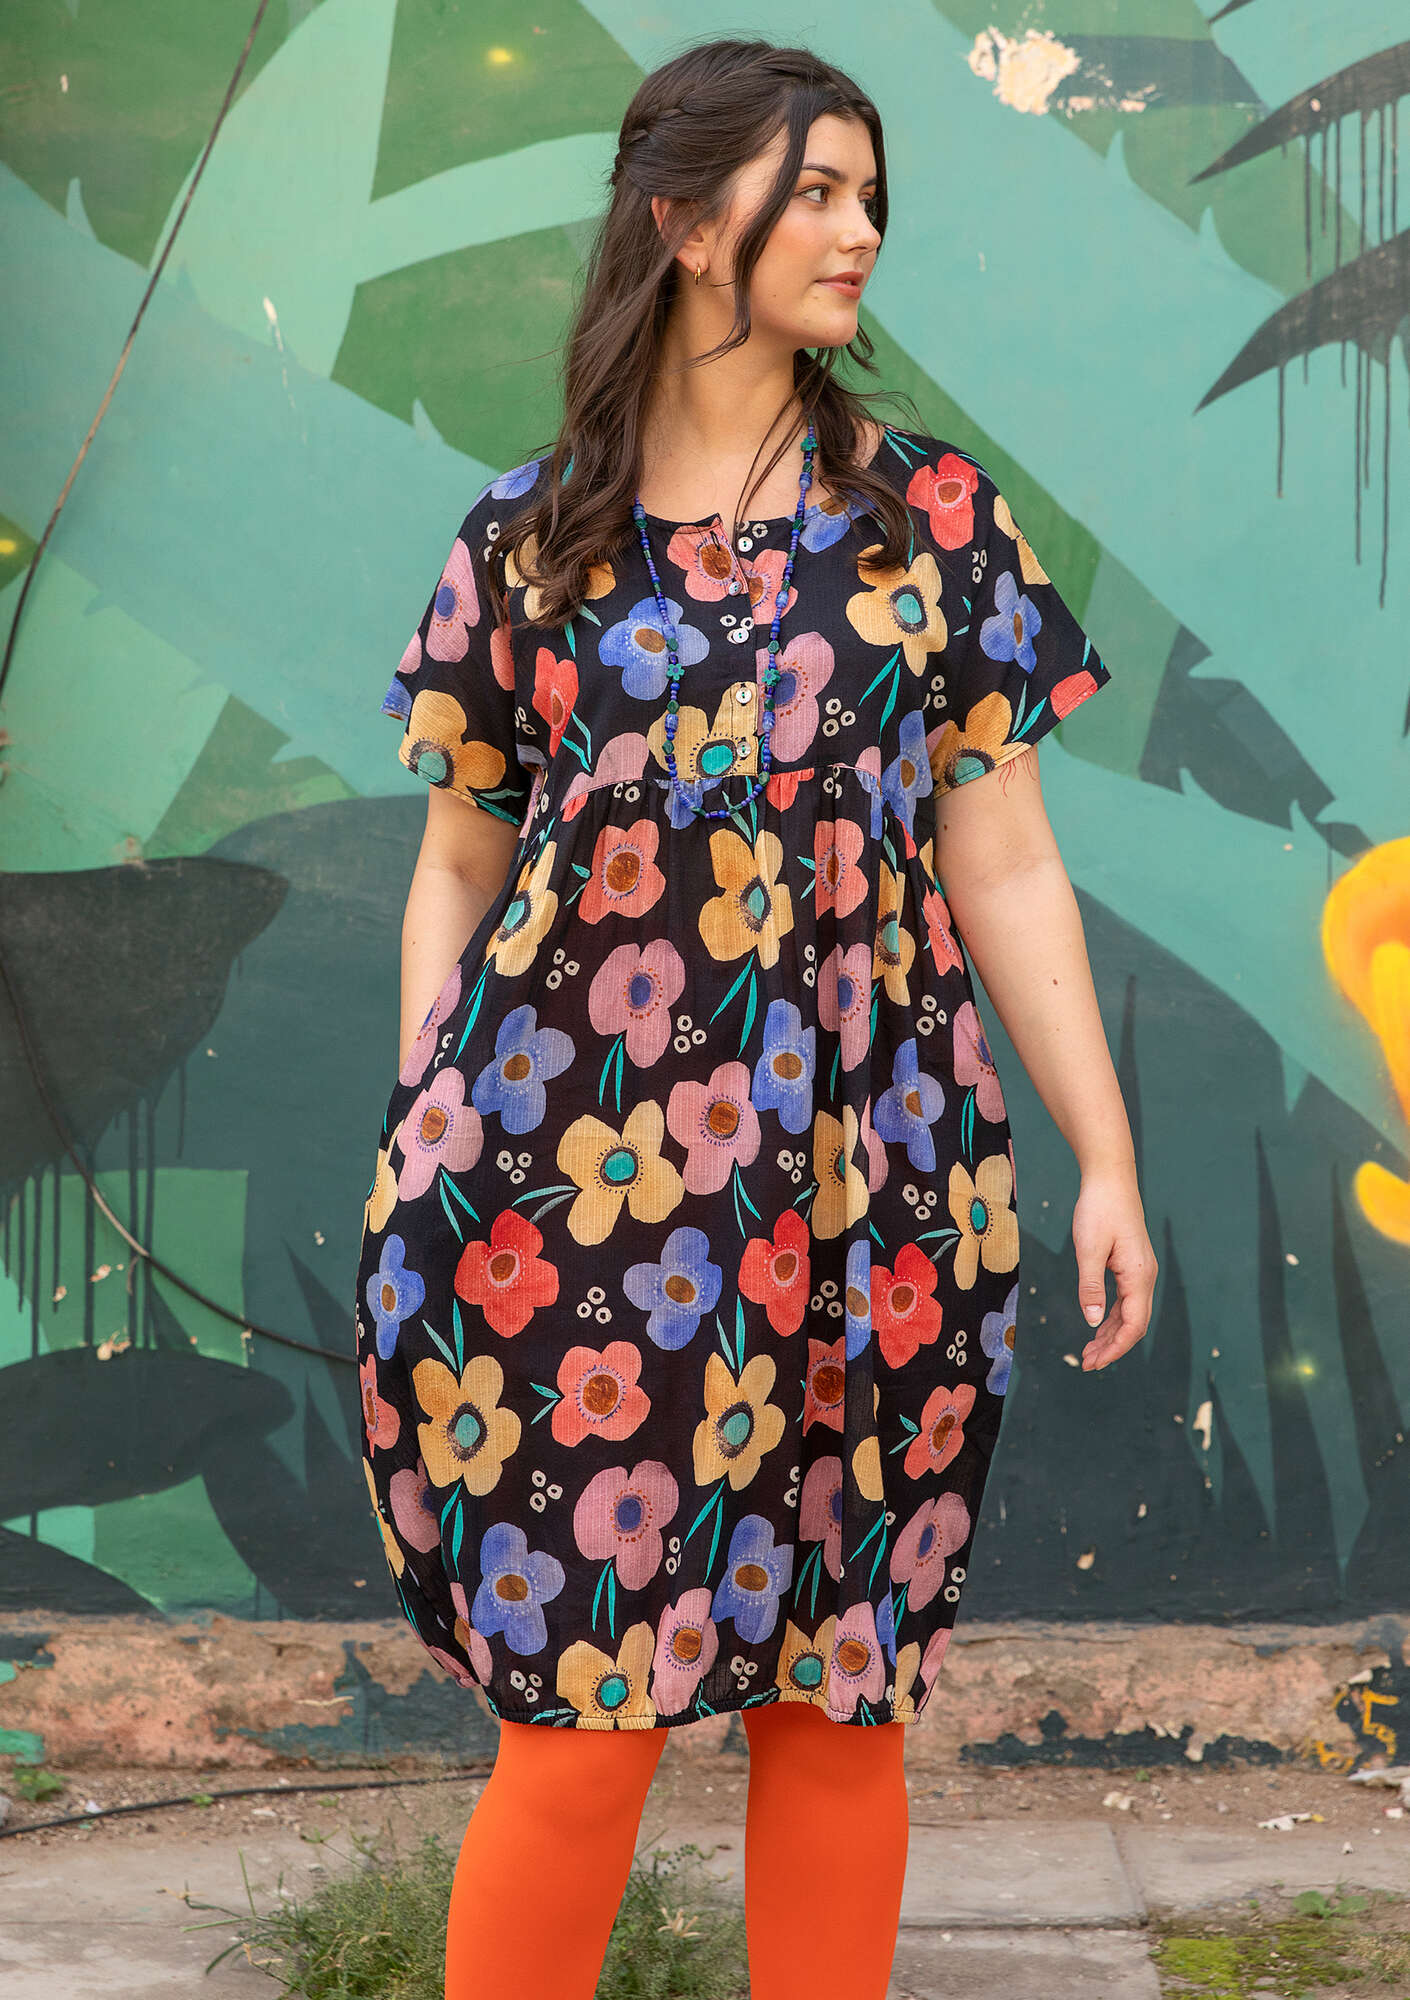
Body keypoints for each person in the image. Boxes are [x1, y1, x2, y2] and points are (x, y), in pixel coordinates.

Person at [354, 36, 1158, 2000]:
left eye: (870, 196)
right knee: (580, 1719)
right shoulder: (531, 536)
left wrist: (1105, 1158)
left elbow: (1007, 865)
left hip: (885, 1183)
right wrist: (427, 1110)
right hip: (574, 1198)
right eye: (813, 190)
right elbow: (458, 862)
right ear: (684, 222)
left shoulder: (928, 524)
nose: (858, 229)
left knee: (839, 1700)